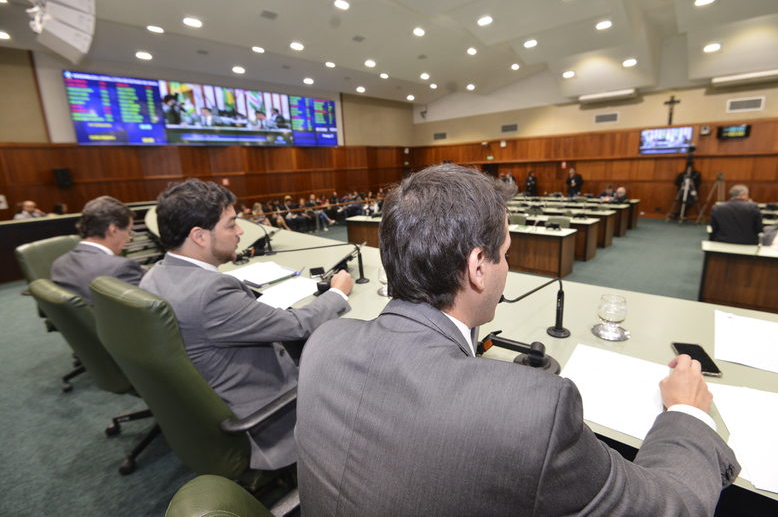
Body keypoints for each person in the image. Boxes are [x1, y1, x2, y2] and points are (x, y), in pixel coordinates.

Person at [295, 163, 739, 516]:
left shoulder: (325, 342)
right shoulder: (534, 412)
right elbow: (673, 505)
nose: (508, 267)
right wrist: (686, 411)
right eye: (506, 253)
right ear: (478, 266)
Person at [139, 178, 352, 471]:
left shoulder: (153, 275)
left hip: (207, 403)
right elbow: (297, 326)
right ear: (199, 236)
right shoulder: (211, 293)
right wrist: (338, 292)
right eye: (231, 225)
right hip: (265, 421)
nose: (240, 231)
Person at [51, 196, 145, 305]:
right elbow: (147, 310)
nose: (128, 239)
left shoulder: (59, 263)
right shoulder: (122, 267)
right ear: (113, 229)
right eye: (129, 231)